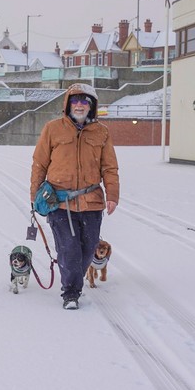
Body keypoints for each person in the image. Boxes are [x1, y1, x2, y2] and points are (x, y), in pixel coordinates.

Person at [30, 83, 119, 310]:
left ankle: (73, 281)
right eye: (75, 101)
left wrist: (112, 195)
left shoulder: (101, 133)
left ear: (91, 106)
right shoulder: (52, 129)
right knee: (68, 249)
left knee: (88, 249)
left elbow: (110, 167)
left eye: (84, 101)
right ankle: (71, 292)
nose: (79, 105)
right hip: (59, 202)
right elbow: (39, 163)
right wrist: (34, 195)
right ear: (68, 104)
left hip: (91, 201)